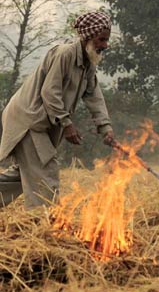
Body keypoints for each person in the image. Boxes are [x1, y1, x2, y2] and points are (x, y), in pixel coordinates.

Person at [0, 12, 115, 208]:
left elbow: (94, 95)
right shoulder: (65, 54)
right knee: (45, 169)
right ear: (88, 36)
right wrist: (66, 123)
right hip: (29, 119)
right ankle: (43, 223)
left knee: (25, 174)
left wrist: (105, 127)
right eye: (101, 39)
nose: (105, 45)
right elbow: (49, 92)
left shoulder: (89, 62)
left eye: (106, 40)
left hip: (38, 121)